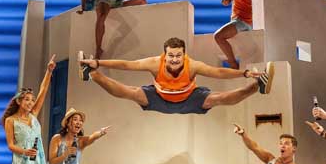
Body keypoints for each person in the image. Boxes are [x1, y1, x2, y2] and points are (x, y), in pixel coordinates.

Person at [78, 37, 274, 115]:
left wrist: (245, 73)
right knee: (130, 92)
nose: (174, 60)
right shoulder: (155, 63)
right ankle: (91, 73)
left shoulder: (192, 65)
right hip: (159, 98)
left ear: (184, 54)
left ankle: (258, 85)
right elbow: (128, 65)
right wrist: (98, 63)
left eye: (178, 55)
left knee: (219, 98)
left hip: (189, 99)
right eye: (170, 55)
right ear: (165, 55)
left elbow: (218, 72)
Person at [214, 0, 252, 69]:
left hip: (242, 22)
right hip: (244, 23)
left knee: (218, 36)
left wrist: (228, 0)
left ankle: (233, 63)